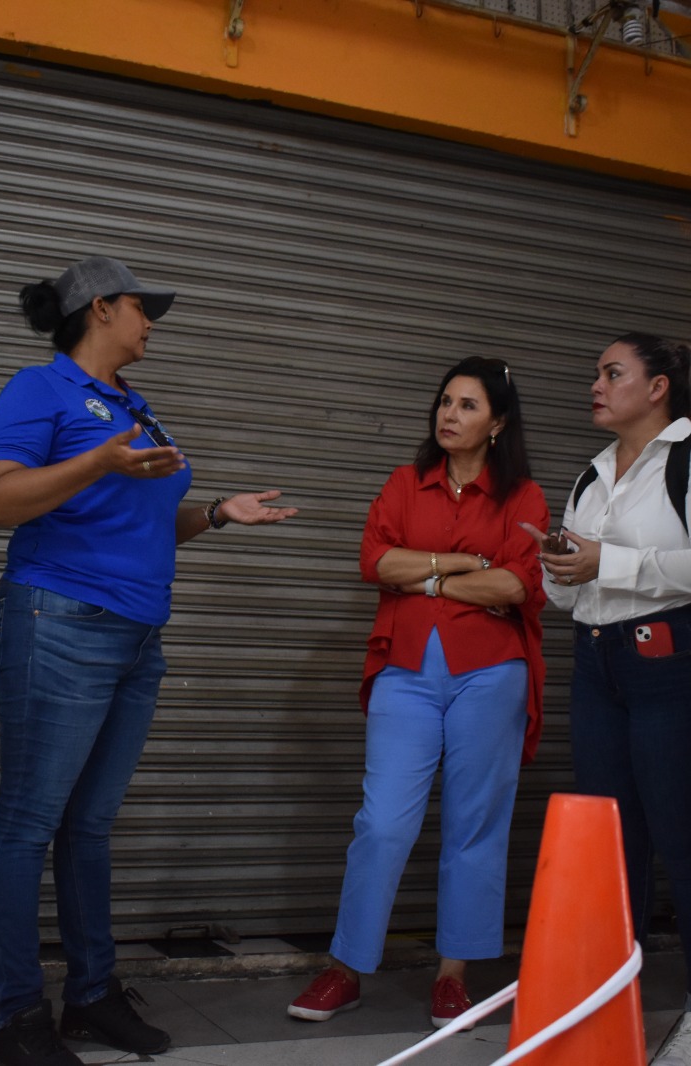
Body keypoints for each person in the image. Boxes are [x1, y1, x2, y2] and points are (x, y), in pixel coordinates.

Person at [0, 255, 296, 1066]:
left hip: (136, 636)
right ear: (100, 309)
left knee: (89, 826)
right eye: (141, 307)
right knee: (27, 824)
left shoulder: (135, 408)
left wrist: (218, 513)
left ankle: (91, 996)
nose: (151, 321)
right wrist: (96, 461)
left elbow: (143, 523)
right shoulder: (38, 391)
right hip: (58, 622)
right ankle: (15, 1019)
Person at [286, 356, 547, 1031]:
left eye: (467, 406)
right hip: (406, 668)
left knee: (475, 827)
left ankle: (454, 978)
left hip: (492, 673)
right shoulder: (406, 483)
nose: (449, 415)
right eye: (445, 402)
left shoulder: (524, 498)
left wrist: (422, 576)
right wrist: (459, 566)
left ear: (498, 424)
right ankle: (345, 969)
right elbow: (376, 561)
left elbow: (516, 587)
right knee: (383, 823)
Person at [525, 334, 691, 1066]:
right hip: (597, 663)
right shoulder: (591, 474)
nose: (596, 384)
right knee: (614, 849)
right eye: (596, 373)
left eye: (611, 373)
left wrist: (605, 561)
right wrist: (558, 565)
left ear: (657, 388)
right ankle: (611, 1005)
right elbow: (569, 593)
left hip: (674, 660)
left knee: (690, 844)